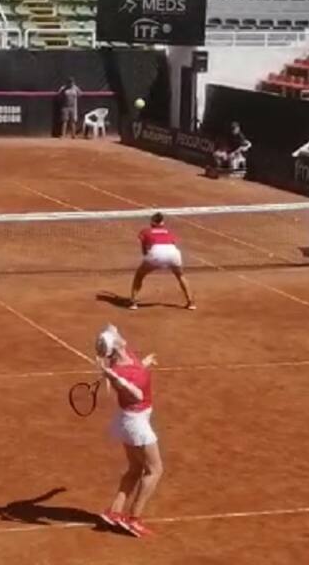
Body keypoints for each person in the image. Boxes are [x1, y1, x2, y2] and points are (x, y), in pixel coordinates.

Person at [96, 325, 162, 538]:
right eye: (116, 337)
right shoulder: (117, 372)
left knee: (135, 468)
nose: (120, 335)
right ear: (114, 347)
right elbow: (137, 395)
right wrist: (115, 378)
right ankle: (134, 519)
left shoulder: (126, 354)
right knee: (154, 470)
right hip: (136, 423)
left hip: (129, 421)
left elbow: (136, 373)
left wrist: (145, 363)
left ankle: (114, 512)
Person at [129, 213, 195, 311]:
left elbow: (144, 248)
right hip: (173, 253)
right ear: (162, 223)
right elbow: (172, 243)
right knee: (181, 276)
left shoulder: (145, 231)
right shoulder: (169, 231)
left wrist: (148, 260)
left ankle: (133, 303)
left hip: (156, 254)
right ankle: (191, 303)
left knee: (139, 275)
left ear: (152, 222)